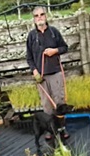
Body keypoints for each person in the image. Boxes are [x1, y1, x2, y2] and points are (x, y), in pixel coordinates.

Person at [26, 6, 69, 140]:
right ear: (34, 19)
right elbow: (29, 57)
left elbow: (64, 47)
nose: (39, 17)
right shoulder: (32, 36)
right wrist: (34, 71)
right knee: (46, 105)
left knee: (59, 102)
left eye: (42, 14)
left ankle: (62, 128)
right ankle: (51, 130)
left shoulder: (54, 32)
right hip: (42, 76)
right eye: (36, 15)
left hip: (56, 73)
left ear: (46, 16)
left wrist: (54, 51)